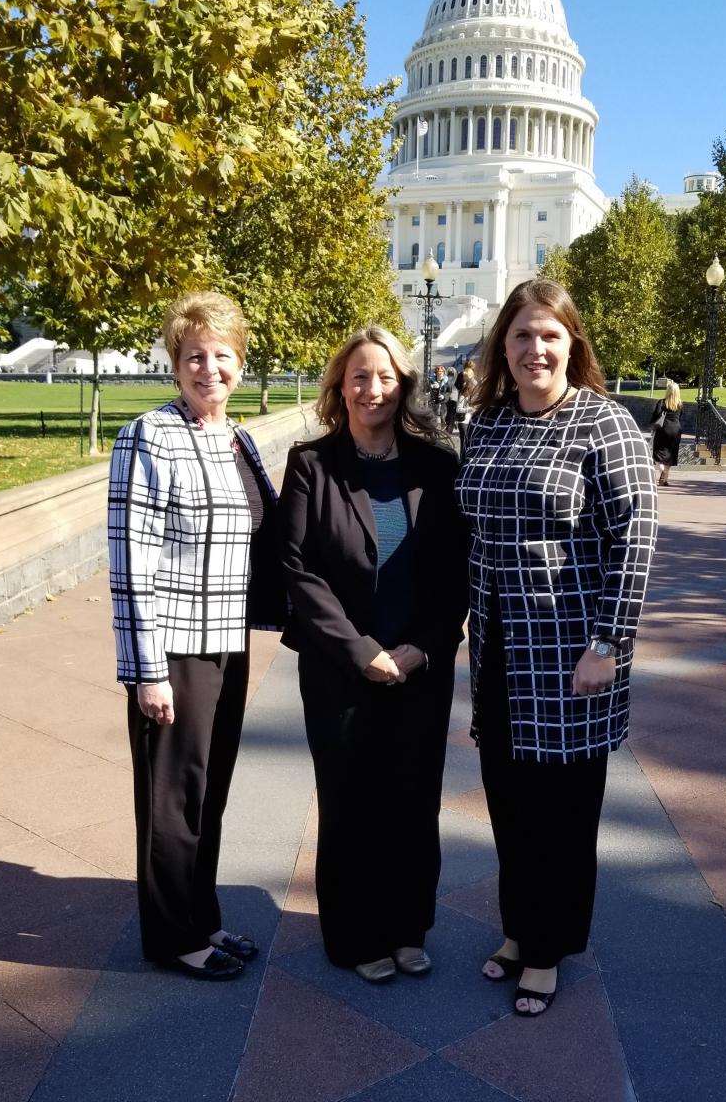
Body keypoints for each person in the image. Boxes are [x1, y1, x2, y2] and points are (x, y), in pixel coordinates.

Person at [456, 279, 658, 1017]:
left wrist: (609, 641)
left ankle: (547, 949)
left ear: (571, 342)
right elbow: (469, 532)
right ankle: (518, 929)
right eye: (520, 336)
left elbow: (632, 538)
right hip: (500, 649)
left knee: (563, 816)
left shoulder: (604, 424)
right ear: (501, 348)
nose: (534, 349)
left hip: (574, 652)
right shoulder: (485, 424)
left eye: (548, 335)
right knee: (510, 806)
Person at [278, 327, 468, 983]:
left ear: (403, 383)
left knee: (413, 801)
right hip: (339, 671)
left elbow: (454, 573)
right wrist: (359, 650)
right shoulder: (311, 464)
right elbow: (298, 571)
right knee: (351, 800)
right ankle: (355, 935)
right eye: (359, 377)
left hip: (419, 667)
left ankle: (407, 926)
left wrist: (421, 647)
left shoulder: (437, 465)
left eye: (384, 376)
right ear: (340, 387)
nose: (372, 389)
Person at [108, 291, 286, 981]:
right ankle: (172, 937)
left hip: (225, 643)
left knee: (207, 792)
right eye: (193, 357)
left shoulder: (234, 435)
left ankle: (200, 917)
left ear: (239, 362)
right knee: (171, 801)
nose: (208, 369)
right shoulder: (149, 436)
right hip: (174, 649)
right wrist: (146, 669)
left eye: (221, 356)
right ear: (174, 364)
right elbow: (130, 559)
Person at [649, 381, 684, 486]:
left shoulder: (662, 402)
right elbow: (680, 417)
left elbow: (655, 416)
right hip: (676, 430)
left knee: (658, 454)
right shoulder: (680, 404)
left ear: (667, 391)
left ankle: (663, 472)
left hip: (663, 430)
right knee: (670, 455)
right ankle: (664, 480)